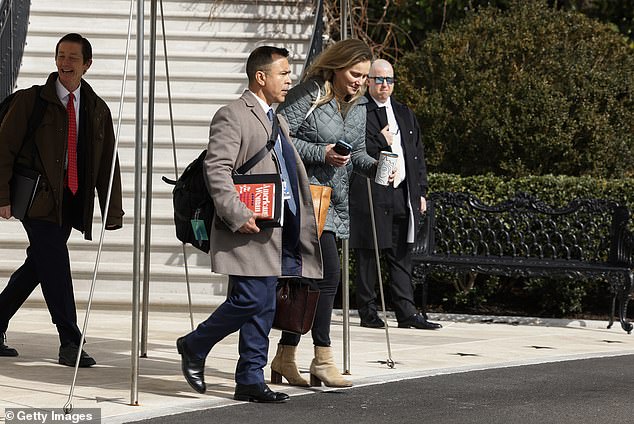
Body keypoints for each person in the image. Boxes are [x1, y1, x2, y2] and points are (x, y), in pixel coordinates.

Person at [175, 46, 323, 403]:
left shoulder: (278, 119)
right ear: (261, 77)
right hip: (247, 226)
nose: (290, 80)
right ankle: (194, 345)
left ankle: (250, 378)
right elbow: (217, 170)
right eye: (283, 73)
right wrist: (237, 215)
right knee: (250, 299)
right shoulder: (232, 115)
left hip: (277, 226)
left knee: (265, 304)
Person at [0, 33, 124, 366]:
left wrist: (111, 210)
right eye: (60, 56)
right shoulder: (31, 100)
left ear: (87, 65)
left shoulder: (97, 109)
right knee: (55, 261)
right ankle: (70, 340)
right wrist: (1, 196)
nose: (65, 63)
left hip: (72, 199)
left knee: (39, 264)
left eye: (72, 58)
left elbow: (106, 162)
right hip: (36, 198)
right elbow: (3, 149)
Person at [273, 38, 379, 388]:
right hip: (306, 200)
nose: (359, 81)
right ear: (336, 66)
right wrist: (322, 152)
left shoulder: (360, 105)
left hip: (336, 202)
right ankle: (322, 356)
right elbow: (278, 137)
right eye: (354, 73)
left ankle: (286, 355)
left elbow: (358, 154)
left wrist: (379, 168)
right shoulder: (308, 93)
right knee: (328, 276)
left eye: (364, 76)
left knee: (312, 282)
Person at [349, 59, 441, 330]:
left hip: (402, 191)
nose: (384, 85)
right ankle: (368, 312)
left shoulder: (403, 113)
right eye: (379, 79)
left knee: (402, 252)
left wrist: (420, 191)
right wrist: (380, 140)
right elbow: (355, 149)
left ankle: (406, 312)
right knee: (368, 252)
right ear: (369, 82)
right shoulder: (359, 111)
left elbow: (417, 154)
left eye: (389, 80)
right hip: (372, 189)